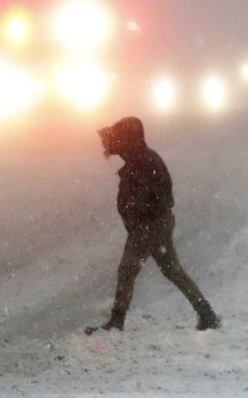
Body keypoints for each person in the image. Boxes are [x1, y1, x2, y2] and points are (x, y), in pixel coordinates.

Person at [85, 115, 221, 334]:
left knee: (127, 270)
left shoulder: (142, 161)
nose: (111, 144)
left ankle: (116, 321)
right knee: (172, 270)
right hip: (156, 224)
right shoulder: (141, 159)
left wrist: (143, 217)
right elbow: (163, 196)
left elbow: (161, 195)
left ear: (128, 139)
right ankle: (206, 313)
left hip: (148, 226)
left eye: (119, 138)